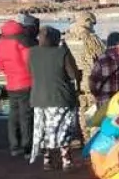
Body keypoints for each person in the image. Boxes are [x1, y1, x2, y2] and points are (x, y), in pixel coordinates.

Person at [29, 26, 81, 171]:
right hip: (60, 97)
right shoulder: (62, 52)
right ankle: (66, 160)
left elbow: (30, 70)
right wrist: (67, 51)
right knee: (63, 128)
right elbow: (73, 74)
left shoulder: (32, 52)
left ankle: (47, 160)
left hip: (39, 97)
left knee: (44, 129)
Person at [0, 19, 34, 158]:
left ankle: (14, 145)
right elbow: (29, 62)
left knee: (13, 115)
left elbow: (0, 64)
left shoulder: (1, 42)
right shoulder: (22, 40)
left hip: (11, 83)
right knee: (26, 115)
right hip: (26, 81)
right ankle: (27, 146)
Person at [65, 13, 106, 137]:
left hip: (76, 82)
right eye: (92, 23)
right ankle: (93, 140)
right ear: (87, 22)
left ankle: (85, 136)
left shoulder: (68, 38)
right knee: (94, 112)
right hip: (91, 81)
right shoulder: (91, 39)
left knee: (82, 111)